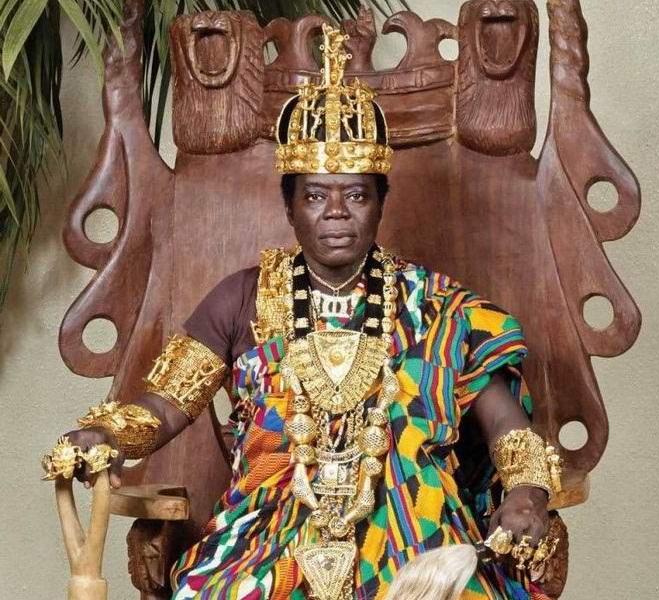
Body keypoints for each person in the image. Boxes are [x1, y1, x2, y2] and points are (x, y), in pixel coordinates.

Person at [47, 25, 561, 600]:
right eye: (315, 195)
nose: (336, 212)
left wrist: (527, 493)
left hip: (415, 534)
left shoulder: (440, 307)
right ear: (288, 207)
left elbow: (508, 429)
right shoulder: (241, 298)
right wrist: (106, 435)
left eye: (356, 194)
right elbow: (165, 407)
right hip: (267, 536)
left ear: (381, 203)